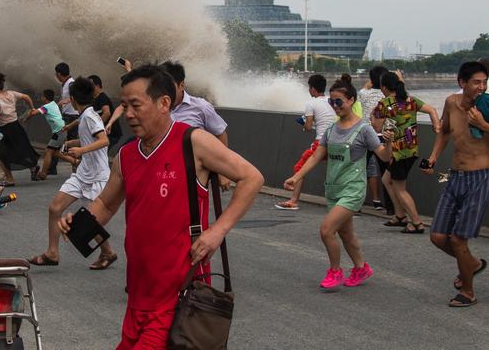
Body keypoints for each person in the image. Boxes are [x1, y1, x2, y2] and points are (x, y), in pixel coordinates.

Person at [58, 65, 263, 349]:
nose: (127, 114)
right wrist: (79, 222)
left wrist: (217, 231)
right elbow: (106, 203)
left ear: (163, 103)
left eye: (135, 105)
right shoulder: (126, 155)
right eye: (124, 105)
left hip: (180, 292)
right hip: (138, 291)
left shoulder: (193, 142)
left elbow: (251, 177)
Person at [284, 78, 391, 289]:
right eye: (332, 102)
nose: (335, 106)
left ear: (351, 100)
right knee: (345, 233)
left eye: (339, 102)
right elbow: (315, 157)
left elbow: (384, 157)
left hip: (353, 189)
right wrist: (296, 177)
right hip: (333, 188)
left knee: (326, 230)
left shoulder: (364, 129)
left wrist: (388, 143)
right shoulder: (331, 130)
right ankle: (361, 268)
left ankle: (335, 271)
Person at [29, 77, 117, 270]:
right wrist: (74, 143)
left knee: (89, 223)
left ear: (74, 99)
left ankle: (108, 252)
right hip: (82, 174)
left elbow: (104, 141)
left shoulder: (91, 117)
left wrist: (81, 151)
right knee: (54, 208)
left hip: (97, 177)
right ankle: (52, 253)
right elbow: (91, 138)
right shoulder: (86, 115)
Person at [423, 61, 489, 307]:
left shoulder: (487, 105)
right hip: (455, 176)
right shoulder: (451, 102)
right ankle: (471, 264)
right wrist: (432, 158)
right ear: (462, 82)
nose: (481, 87)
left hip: (481, 176)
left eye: (484, 82)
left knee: (459, 239)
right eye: (476, 82)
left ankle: (468, 292)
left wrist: (483, 125)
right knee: (438, 236)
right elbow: (445, 131)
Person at [108, 60, 229, 188]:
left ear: (181, 85)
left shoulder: (201, 107)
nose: (164, 91)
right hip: (157, 170)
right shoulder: (155, 105)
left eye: (169, 86)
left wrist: (222, 171)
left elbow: (220, 134)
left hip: (189, 176)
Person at [372, 70, 441, 233]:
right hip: (411, 150)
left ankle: (417, 223)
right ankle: (400, 215)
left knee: (400, 189)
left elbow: (377, 127)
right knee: (386, 179)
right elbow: (432, 110)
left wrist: (372, 115)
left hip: (397, 152)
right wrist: (436, 126)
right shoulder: (410, 100)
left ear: (383, 87)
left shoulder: (385, 103)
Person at [275, 74, 335, 210]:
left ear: (313, 89)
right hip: (337, 142)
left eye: (309, 87)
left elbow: (308, 127)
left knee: (299, 169)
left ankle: (294, 201)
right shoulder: (332, 101)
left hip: (321, 143)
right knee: (336, 172)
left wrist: (306, 124)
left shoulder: (311, 103)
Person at [0, 73, 38, 185]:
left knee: (1, 153)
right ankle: (33, 168)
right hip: (15, 126)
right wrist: (32, 108)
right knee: (23, 149)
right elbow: (26, 97)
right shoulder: (11, 93)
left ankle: (10, 178)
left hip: (5, 129)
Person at [359, 65, 390, 211]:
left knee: (359, 170)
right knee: (387, 173)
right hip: (384, 137)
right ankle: (390, 208)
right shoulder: (389, 96)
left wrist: (371, 81)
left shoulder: (364, 93)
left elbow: (365, 87)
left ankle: (355, 205)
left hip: (365, 136)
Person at [29, 89, 77, 180]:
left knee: (48, 151)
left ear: (45, 97)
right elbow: (57, 105)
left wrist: (29, 112)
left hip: (59, 131)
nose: (41, 97)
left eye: (42, 96)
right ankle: (74, 161)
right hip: (61, 130)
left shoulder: (46, 107)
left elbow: (34, 112)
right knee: (55, 152)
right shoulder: (53, 104)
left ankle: (43, 173)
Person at [51, 62, 78, 175]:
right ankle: (53, 168)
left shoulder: (71, 83)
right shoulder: (66, 83)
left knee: (58, 140)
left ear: (59, 73)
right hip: (67, 116)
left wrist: (66, 101)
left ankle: (52, 167)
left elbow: (76, 95)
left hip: (72, 116)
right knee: (62, 141)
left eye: (56, 74)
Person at [89, 75, 122, 153]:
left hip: (111, 133)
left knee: (99, 153)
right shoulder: (92, 99)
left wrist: (95, 127)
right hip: (102, 133)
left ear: (97, 86)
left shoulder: (102, 98)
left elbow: (106, 113)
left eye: (90, 85)